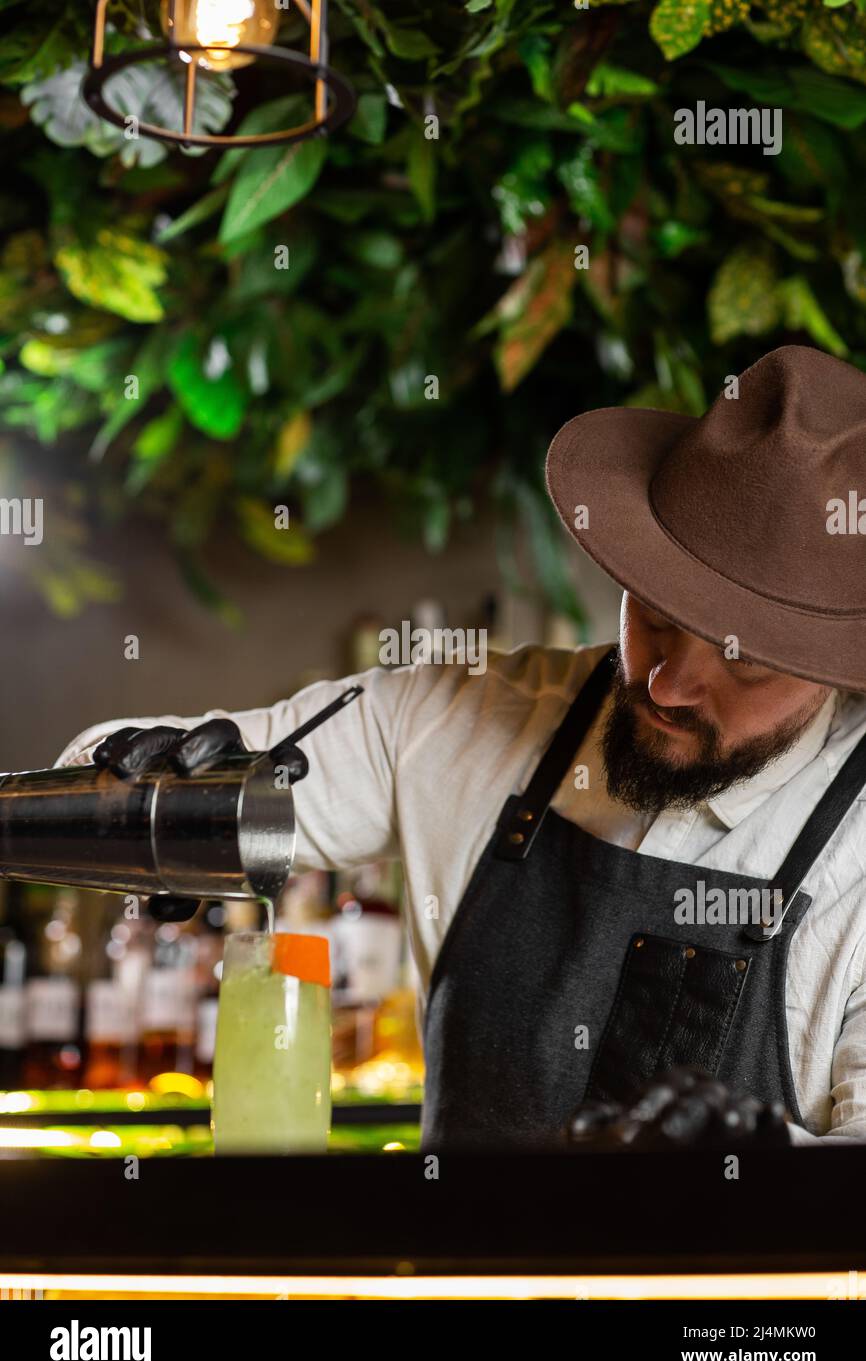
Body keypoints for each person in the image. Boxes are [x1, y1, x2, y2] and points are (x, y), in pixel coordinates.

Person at [56, 345, 866, 1151]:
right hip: (461, 1279)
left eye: (742, 658)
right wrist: (149, 797)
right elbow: (131, 773)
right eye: (654, 616)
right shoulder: (454, 716)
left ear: (834, 668)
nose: (665, 685)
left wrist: (761, 1158)